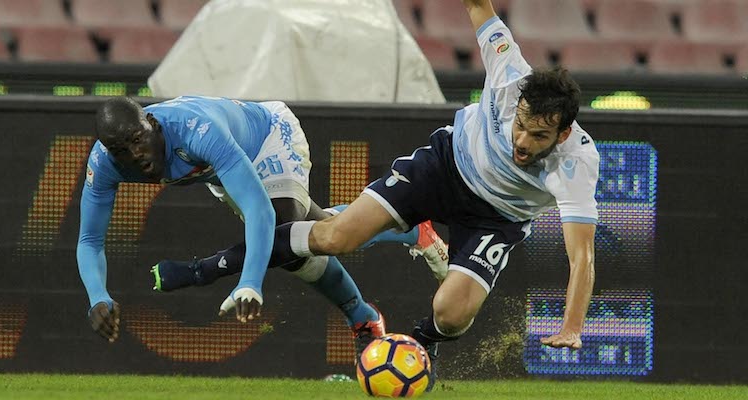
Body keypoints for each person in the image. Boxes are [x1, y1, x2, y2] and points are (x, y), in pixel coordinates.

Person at [173, 0, 599, 389]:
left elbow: (581, 256)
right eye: (519, 125)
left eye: (538, 135)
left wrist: (573, 325)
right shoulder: (509, 72)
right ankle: (215, 266)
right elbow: (477, 5)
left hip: (496, 217)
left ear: (563, 133)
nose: (521, 141)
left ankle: (420, 342)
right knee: (334, 237)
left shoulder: (576, 164)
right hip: (444, 168)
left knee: (452, 314)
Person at [77, 96, 449, 357]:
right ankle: (408, 234)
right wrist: (98, 296)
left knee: (284, 233)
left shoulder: (197, 131)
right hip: (226, 174)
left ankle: (360, 317)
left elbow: (261, 212)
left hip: (268, 137)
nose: (134, 156)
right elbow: (90, 240)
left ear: (153, 125)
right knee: (307, 241)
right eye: (121, 150)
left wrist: (249, 282)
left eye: (138, 141)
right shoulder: (106, 163)